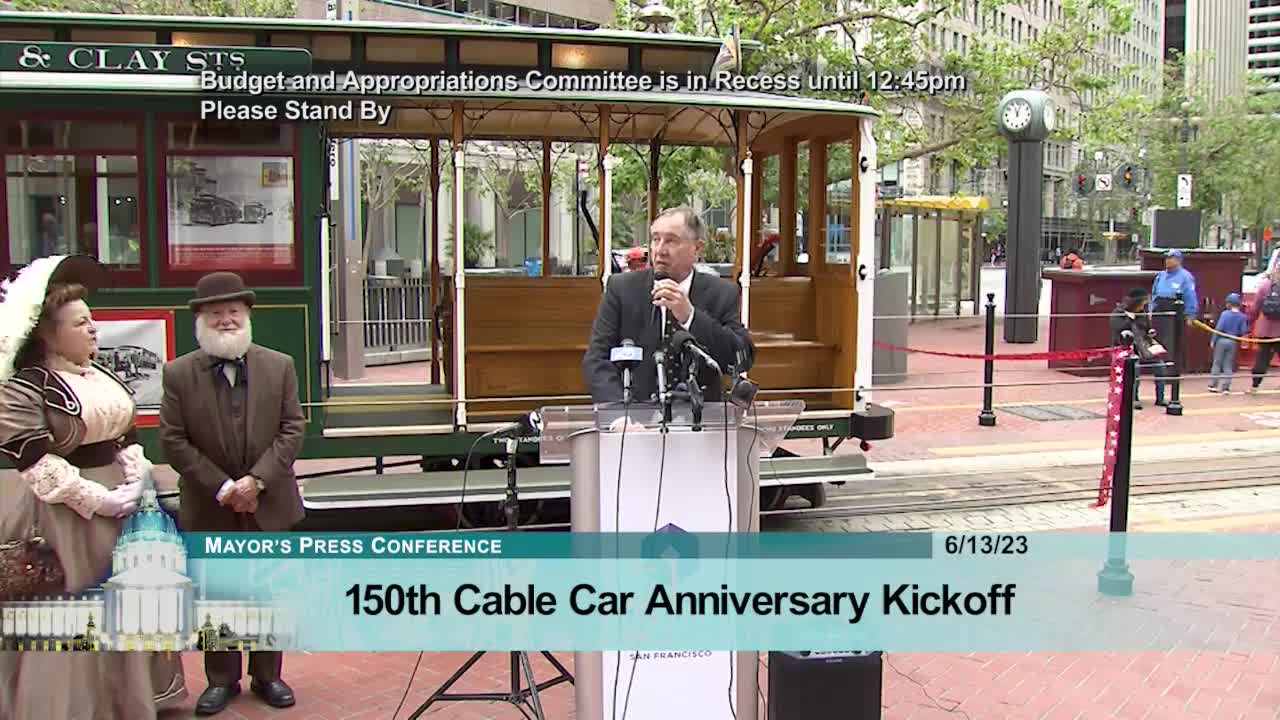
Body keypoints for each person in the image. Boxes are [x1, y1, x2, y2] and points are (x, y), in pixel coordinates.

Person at [0, 254, 187, 719]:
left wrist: (135, 477)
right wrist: (97, 499)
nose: (93, 329)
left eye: (91, 320)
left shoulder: (99, 375)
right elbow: (33, 459)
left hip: (121, 506)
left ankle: (127, 699)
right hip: (63, 514)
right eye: (81, 322)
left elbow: (126, 435)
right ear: (50, 333)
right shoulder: (25, 387)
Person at [159, 271, 305, 715]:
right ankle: (222, 680)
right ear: (200, 320)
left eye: (234, 311)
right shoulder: (178, 374)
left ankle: (268, 675)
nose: (226, 319)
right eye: (216, 313)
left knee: (269, 591)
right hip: (210, 504)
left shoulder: (279, 366)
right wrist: (223, 487)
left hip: (270, 500)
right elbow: (173, 440)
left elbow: (292, 429)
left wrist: (256, 481)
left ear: (247, 315)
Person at [583, 206, 754, 405]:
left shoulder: (721, 293)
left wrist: (690, 317)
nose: (660, 250)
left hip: (700, 417)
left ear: (697, 248)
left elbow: (741, 358)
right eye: (656, 239)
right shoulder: (622, 289)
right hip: (634, 416)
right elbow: (597, 359)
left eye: (671, 241)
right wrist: (619, 414)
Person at [1149, 249, 1199, 402]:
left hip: (1174, 311)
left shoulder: (1185, 277)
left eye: (1171, 258)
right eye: (1166, 258)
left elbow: (1190, 295)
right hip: (1160, 310)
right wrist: (1151, 309)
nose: (1168, 260)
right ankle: (1158, 372)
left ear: (1178, 260)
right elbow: (1154, 294)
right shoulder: (1161, 275)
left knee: (1171, 343)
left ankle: (1170, 373)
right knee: (1157, 343)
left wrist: (1190, 314)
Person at [1110, 288, 1168, 409]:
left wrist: (1150, 331)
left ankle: (1160, 398)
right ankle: (1134, 398)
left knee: (1160, 366)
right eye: (1142, 303)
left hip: (1143, 348)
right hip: (1127, 350)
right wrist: (1130, 319)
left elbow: (1147, 327)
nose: (1143, 306)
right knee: (1135, 368)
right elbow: (1118, 329)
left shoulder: (1142, 313)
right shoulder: (1118, 313)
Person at [1246, 269, 1280, 394]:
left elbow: (1256, 307)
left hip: (1265, 329)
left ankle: (1254, 386)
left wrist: (1249, 321)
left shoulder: (1265, 285)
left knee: (1262, 358)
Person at [1208, 292, 1249, 394]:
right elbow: (1243, 331)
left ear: (1229, 303)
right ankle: (1226, 387)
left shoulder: (1225, 314)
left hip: (1221, 340)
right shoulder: (1243, 317)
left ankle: (1214, 385)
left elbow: (1219, 328)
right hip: (1233, 341)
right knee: (1228, 364)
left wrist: (1213, 340)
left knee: (1217, 362)